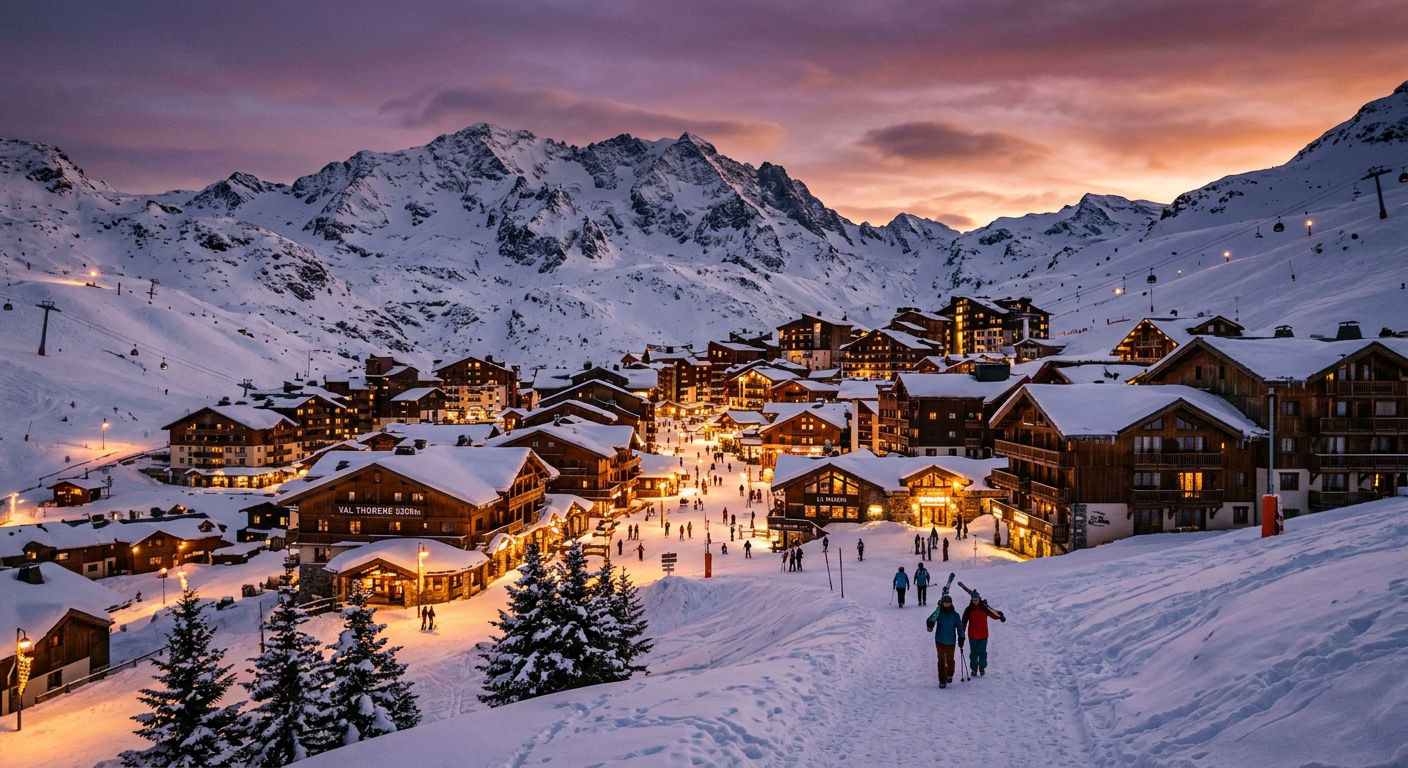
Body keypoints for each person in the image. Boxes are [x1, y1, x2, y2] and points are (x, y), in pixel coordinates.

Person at [961, 590, 1005, 677]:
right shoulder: (969, 609)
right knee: (973, 653)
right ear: (971, 600)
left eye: (976, 599)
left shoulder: (984, 608)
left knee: (982, 653)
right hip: (972, 635)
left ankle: (982, 668)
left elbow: (993, 615)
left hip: (983, 635)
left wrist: (1000, 616)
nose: (975, 601)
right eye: (973, 600)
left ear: (979, 598)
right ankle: (974, 668)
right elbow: (964, 622)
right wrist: (961, 634)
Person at [925, 593, 965, 687]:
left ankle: (950, 674)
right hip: (939, 640)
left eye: (949, 603)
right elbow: (930, 620)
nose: (947, 605)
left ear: (951, 603)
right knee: (941, 660)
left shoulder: (955, 615)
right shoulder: (938, 613)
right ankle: (942, 680)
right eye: (945, 603)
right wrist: (930, 624)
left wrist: (961, 637)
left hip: (951, 641)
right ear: (942, 603)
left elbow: (960, 627)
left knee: (950, 659)